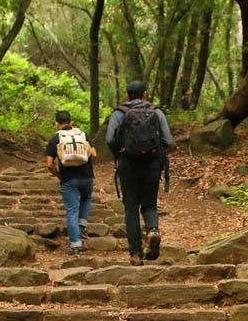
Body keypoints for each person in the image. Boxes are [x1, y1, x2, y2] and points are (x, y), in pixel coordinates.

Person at [106, 81, 173, 265]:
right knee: (149, 204)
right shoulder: (156, 112)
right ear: (144, 94)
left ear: (128, 95)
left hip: (128, 165)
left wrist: (120, 153)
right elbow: (168, 140)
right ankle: (152, 230)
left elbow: (110, 139)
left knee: (131, 208)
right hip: (152, 164)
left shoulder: (119, 113)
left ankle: (135, 254)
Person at [44, 110, 96, 256]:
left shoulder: (56, 138)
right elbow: (94, 154)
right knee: (86, 198)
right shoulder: (82, 134)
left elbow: (49, 164)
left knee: (72, 211)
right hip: (86, 177)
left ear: (57, 124)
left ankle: (76, 246)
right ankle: (82, 226)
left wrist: (58, 175)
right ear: (71, 122)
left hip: (68, 179)